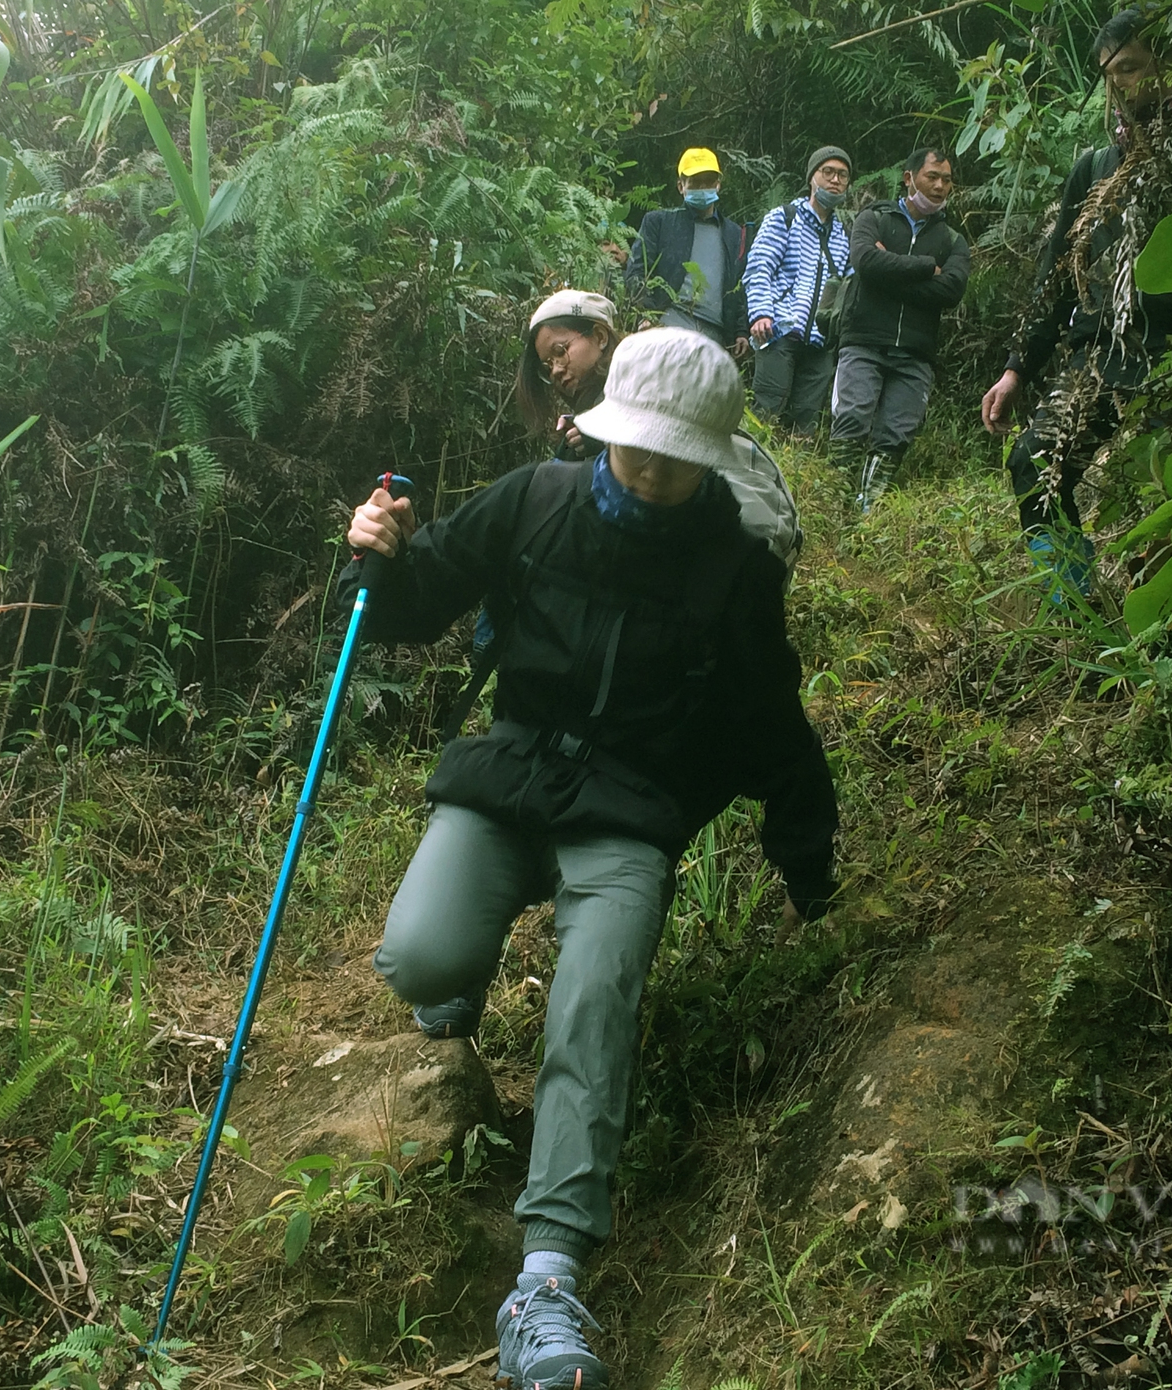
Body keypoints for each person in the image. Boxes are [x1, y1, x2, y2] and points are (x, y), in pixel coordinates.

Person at [341, 329, 837, 1390]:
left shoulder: (733, 570)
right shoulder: (535, 500)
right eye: (634, 448)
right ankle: (454, 985)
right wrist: (375, 553)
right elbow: (412, 601)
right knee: (419, 960)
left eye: (673, 456)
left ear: (710, 456)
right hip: (510, 777)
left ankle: (548, 1276)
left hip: (627, 809)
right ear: (603, 430)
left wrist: (808, 859)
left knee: (593, 996)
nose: (650, 471)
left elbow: (771, 721)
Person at [979, 8, 1172, 597]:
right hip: (1101, 356)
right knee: (1032, 465)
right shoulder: (1095, 169)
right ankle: (1076, 609)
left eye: (1130, 67)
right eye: (1109, 75)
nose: (1119, 86)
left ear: (1168, 65)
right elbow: (1055, 278)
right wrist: (1016, 369)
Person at [831, 147, 971, 512]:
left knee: (895, 435)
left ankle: (867, 516)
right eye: (932, 177)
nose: (940, 186)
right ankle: (833, 508)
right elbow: (864, 261)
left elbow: (952, 290)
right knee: (851, 420)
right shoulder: (874, 217)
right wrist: (927, 266)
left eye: (946, 180)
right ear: (909, 178)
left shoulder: (953, 240)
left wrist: (889, 271)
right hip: (863, 340)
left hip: (915, 351)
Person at [744, 145, 853, 438]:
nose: (835, 180)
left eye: (842, 175)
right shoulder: (784, 217)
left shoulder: (843, 234)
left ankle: (796, 482)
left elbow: (849, 285)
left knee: (805, 425)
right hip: (779, 330)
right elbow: (759, 267)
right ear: (811, 178)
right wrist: (761, 313)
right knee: (765, 414)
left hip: (820, 342)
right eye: (827, 172)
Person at [624, 148, 752, 356]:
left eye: (708, 180)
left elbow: (739, 284)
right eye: (694, 181)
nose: (702, 187)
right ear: (681, 186)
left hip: (716, 334)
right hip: (669, 320)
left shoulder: (734, 234)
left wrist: (740, 330)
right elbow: (637, 270)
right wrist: (646, 314)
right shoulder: (659, 222)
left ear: (718, 184)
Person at [514, 289, 623, 461]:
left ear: (600, 337)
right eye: (547, 366)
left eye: (559, 351)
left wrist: (607, 437)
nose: (555, 371)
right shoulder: (591, 410)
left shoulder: (644, 385)